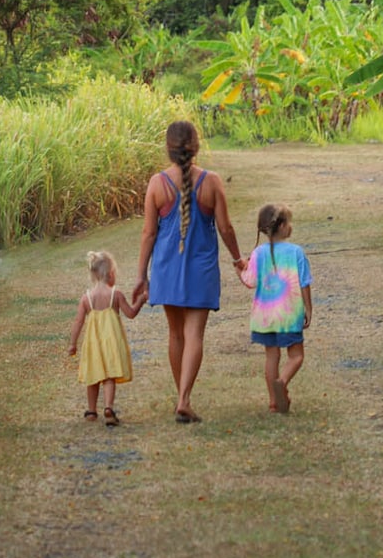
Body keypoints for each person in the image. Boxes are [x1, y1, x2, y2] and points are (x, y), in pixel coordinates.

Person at [132, 119, 245, 423]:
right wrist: (238, 259)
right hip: (201, 268)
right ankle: (184, 398)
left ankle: (181, 397)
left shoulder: (157, 183)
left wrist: (141, 275)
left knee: (175, 333)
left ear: (168, 149)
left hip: (167, 267)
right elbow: (225, 227)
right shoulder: (212, 181)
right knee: (194, 333)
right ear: (196, 147)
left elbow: (148, 234)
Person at [237, 202, 313, 413]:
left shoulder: (258, 253)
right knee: (296, 356)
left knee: (271, 357)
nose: (291, 226)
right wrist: (308, 309)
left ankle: (273, 401)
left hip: (264, 317)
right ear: (281, 226)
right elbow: (305, 282)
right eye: (289, 222)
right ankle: (283, 380)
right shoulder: (296, 252)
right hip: (289, 315)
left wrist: (240, 267)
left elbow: (249, 281)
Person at [68, 249, 142, 426]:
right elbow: (130, 313)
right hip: (111, 343)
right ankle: (108, 408)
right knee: (109, 376)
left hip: (93, 344)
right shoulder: (116, 294)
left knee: (93, 375)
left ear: (93, 274)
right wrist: (141, 300)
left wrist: (72, 344)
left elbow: (78, 322)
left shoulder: (86, 298)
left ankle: (91, 410)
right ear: (110, 274)